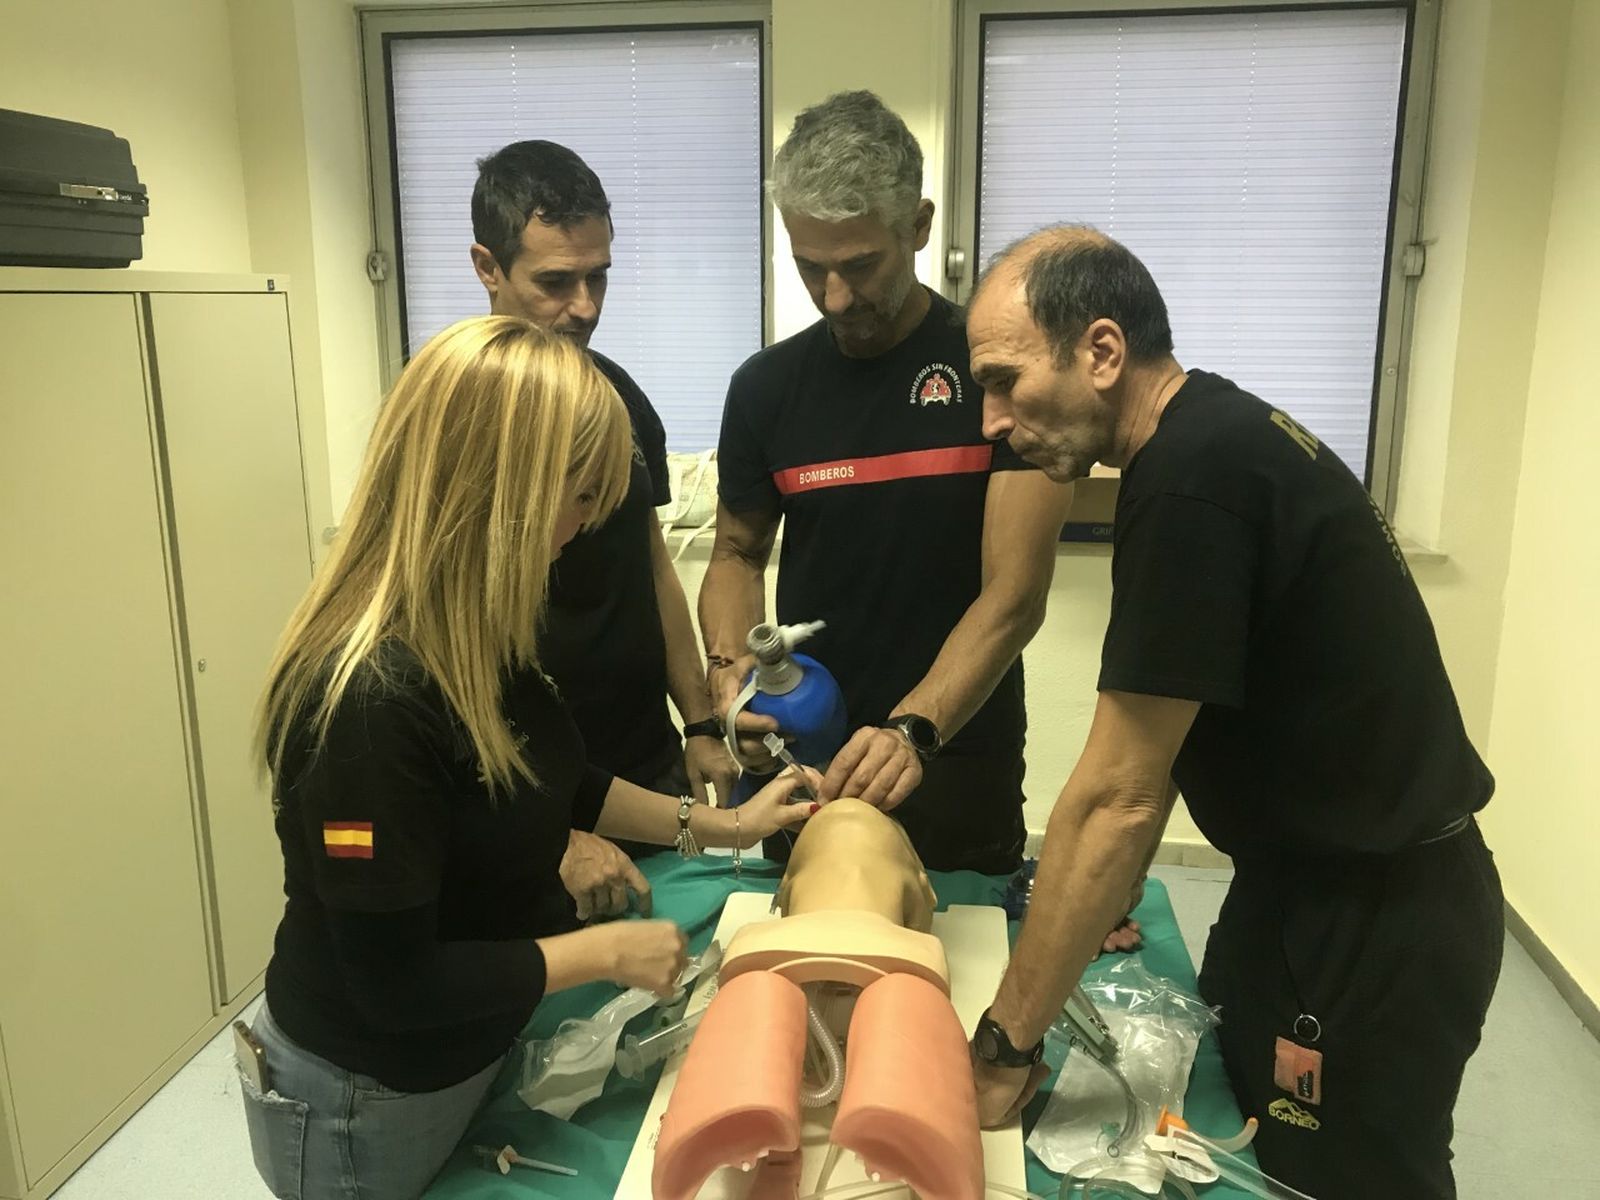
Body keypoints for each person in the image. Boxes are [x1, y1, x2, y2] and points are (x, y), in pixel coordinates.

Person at [964, 226, 1503, 1199]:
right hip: (1298, 886)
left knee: (1345, 1178)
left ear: (1100, 351)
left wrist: (1002, 1041)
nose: (991, 420)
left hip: (1375, 916)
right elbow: (1174, 739)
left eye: (1004, 381)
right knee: (1238, 1122)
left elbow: (1114, 798)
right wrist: (1101, 897)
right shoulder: (1210, 441)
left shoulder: (1193, 481)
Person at [239, 316, 814, 1200]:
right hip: (368, 1094)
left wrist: (723, 824)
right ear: (491, 489)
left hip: (470, 1045)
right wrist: (602, 955)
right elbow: (395, 983)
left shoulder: (473, 632)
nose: (583, 528)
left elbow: (548, 779)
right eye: (576, 497)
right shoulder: (365, 704)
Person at [698, 91, 1073, 877]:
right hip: (809, 762)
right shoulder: (765, 388)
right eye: (810, 267)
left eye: (860, 265)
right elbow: (737, 552)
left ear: (919, 226)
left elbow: (1014, 598)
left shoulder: (997, 373)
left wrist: (914, 729)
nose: (835, 297)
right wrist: (731, 670)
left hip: (953, 755)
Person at [470, 140, 738, 921]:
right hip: (525, 798)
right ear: (488, 266)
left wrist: (698, 723)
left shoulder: (613, 394)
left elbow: (650, 567)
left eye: (599, 277)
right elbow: (438, 670)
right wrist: (548, 830)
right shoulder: (457, 419)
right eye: (556, 281)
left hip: (642, 769)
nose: (584, 305)